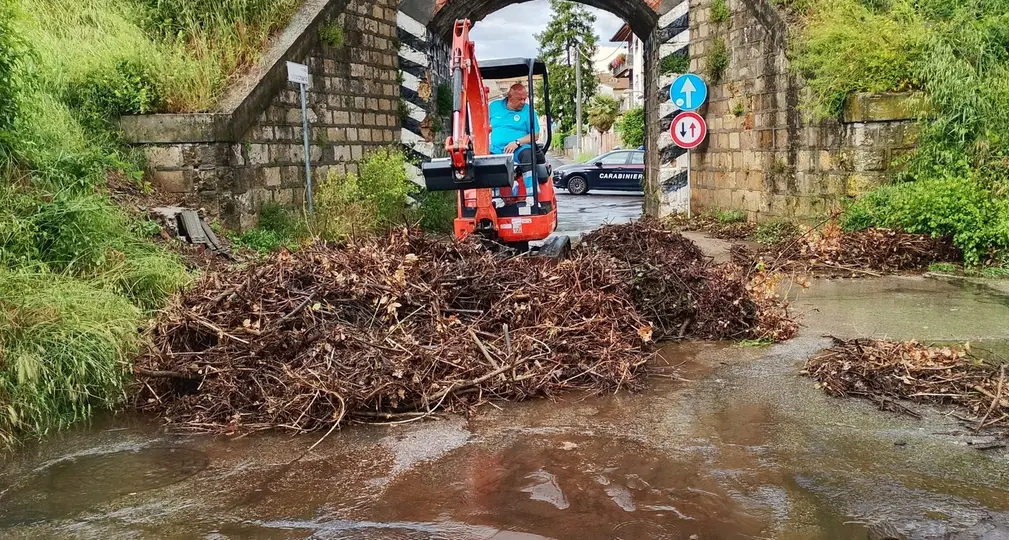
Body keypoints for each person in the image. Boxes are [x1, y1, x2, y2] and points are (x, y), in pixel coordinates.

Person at [489, 83, 543, 200]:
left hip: (519, 149)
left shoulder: (528, 111)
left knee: (529, 154)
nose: (523, 102)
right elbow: (481, 126)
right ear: (509, 97)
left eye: (525, 98)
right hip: (497, 150)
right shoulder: (493, 107)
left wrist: (517, 143)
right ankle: (495, 197)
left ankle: (531, 195)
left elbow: (536, 135)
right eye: (520, 99)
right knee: (486, 160)